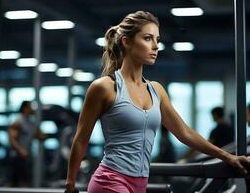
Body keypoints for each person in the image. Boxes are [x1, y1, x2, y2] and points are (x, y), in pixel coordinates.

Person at [65, 11, 250, 193]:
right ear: (126, 42)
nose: (155, 46)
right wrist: (70, 184)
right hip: (110, 181)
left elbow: (184, 133)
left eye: (157, 40)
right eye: (147, 38)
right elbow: (81, 139)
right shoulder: (105, 87)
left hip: (141, 184)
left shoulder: (156, 90)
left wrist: (228, 157)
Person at [8, 101, 47, 187]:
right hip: (17, 157)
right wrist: (22, 150)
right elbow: (12, 140)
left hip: (25, 158)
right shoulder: (18, 121)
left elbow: (41, 137)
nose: (33, 109)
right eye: (31, 107)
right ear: (25, 108)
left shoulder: (31, 123)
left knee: (23, 183)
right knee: (21, 184)